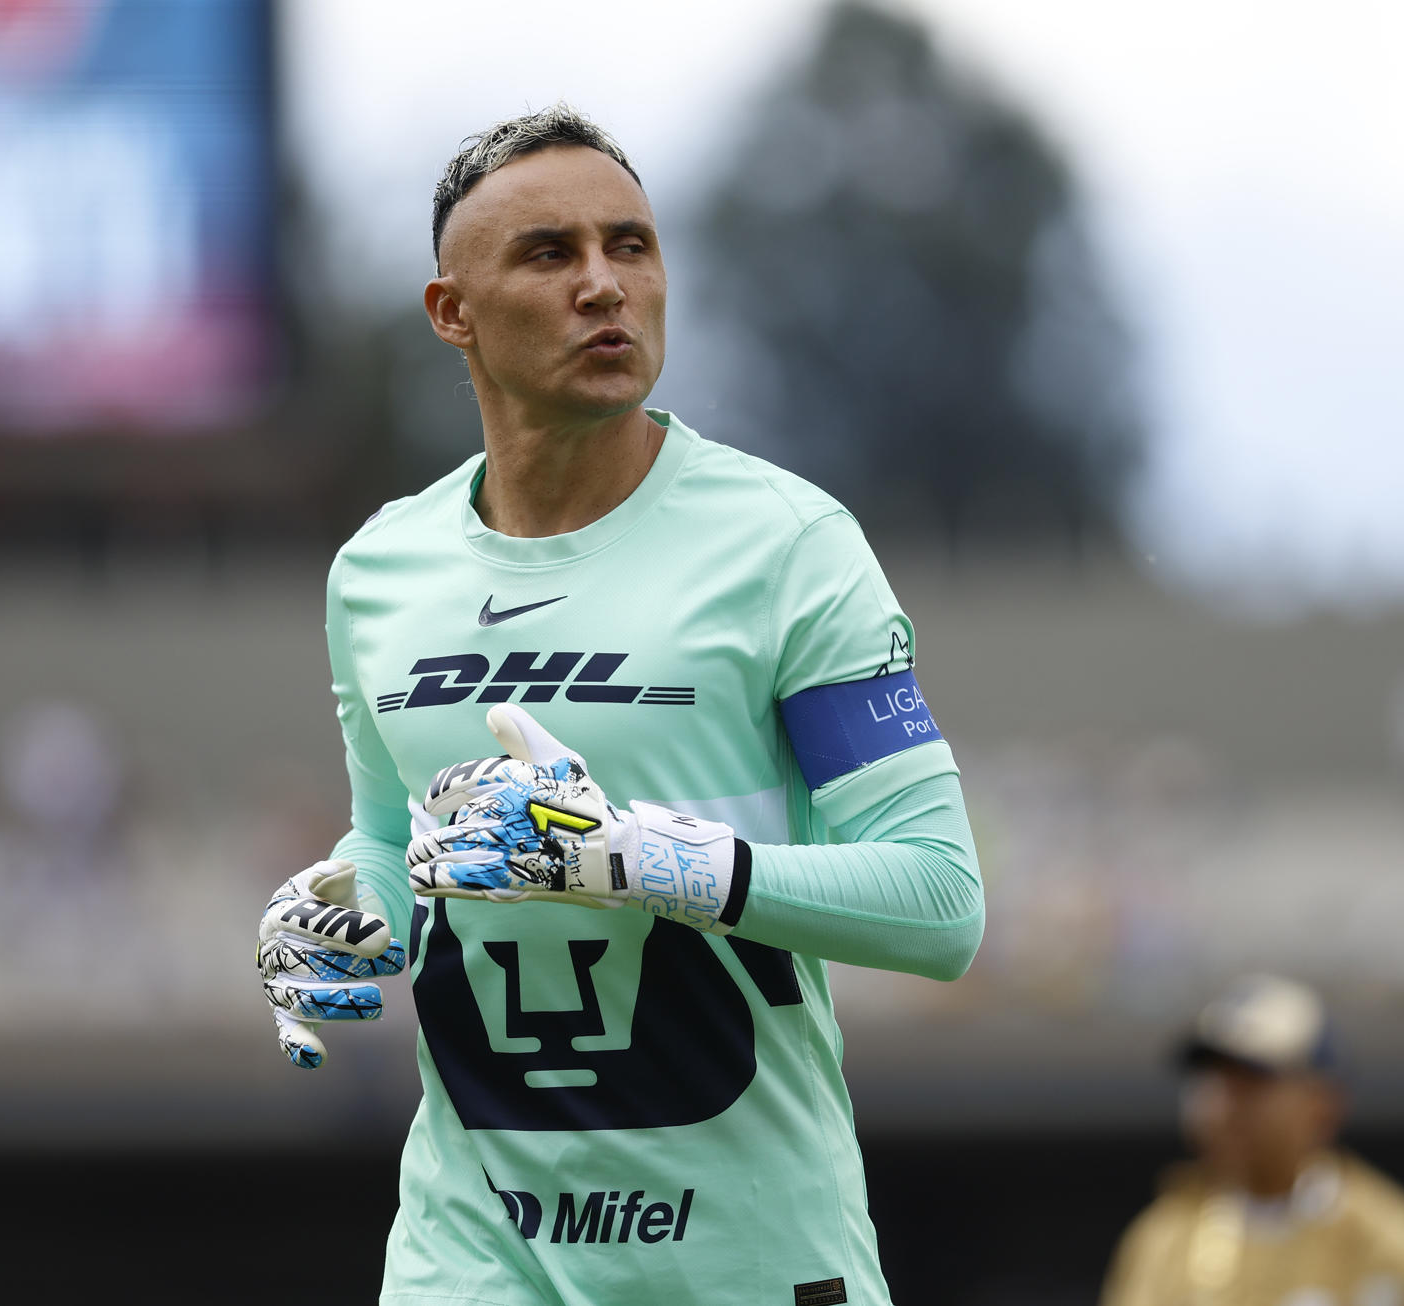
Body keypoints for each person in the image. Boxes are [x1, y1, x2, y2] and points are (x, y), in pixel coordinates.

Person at [255, 105, 984, 1306]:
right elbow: (395, 839)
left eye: (631, 246)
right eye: (550, 254)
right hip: (471, 1254)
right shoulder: (377, 571)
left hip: (744, 1260)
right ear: (454, 314)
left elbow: (939, 901)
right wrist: (335, 907)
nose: (605, 284)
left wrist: (644, 858)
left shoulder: (789, 545)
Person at [1101, 974, 1404, 1306]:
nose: (1223, 1104)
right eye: (1212, 1080)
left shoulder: (1390, 1247)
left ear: (1322, 1104)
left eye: (1252, 1082)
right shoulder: (1162, 1241)